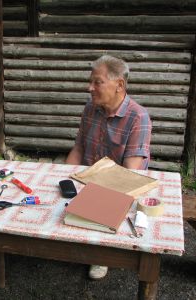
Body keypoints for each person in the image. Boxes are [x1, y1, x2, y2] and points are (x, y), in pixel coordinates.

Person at [66, 55, 152, 279]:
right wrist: (64, 178)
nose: (89, 88)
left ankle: (103, 253)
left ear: (119, 85)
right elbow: (78, 148)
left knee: (77, 218)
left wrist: (95, 197)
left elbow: (130, 174)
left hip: (116, 188)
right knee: (56, 207)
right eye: (90, 82)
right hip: (86, 179)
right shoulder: (90, 108)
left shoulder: (138, 117)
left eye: (97, 82)